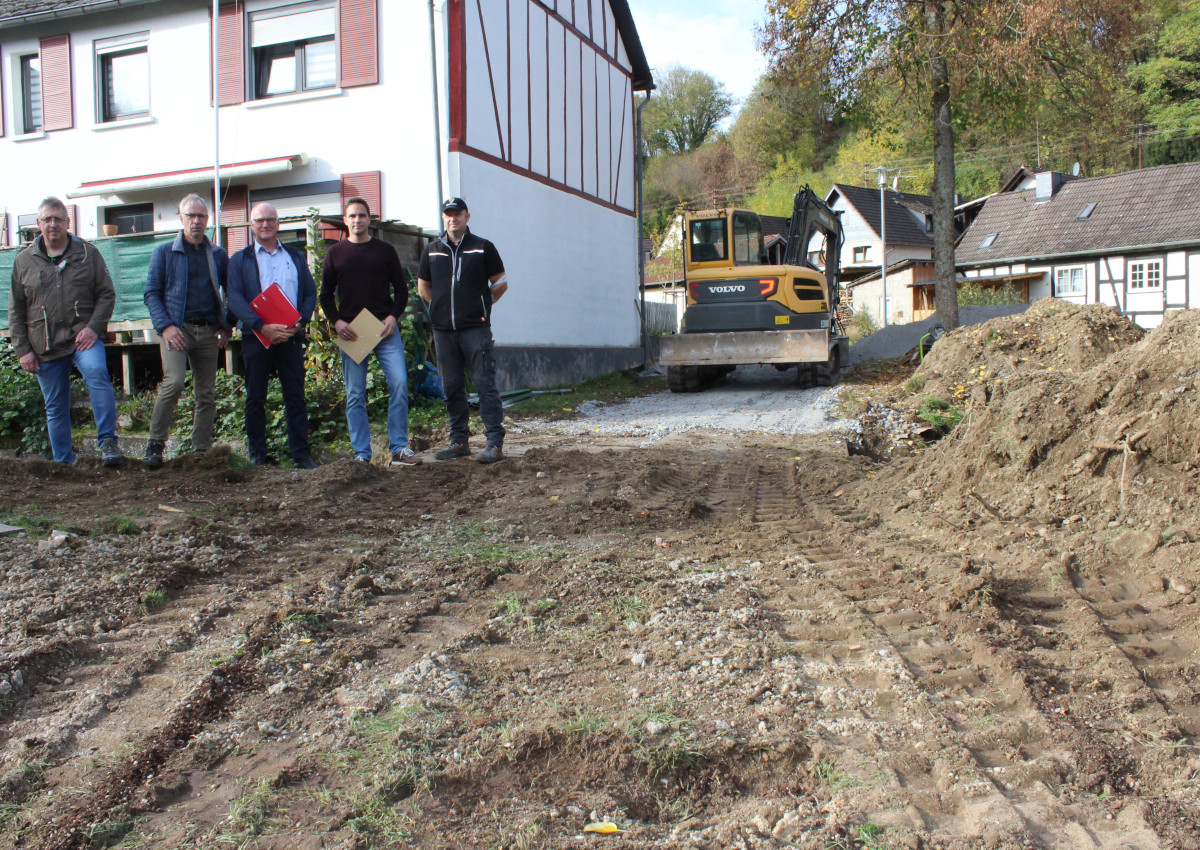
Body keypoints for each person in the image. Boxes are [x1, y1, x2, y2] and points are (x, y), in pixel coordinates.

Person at [9, 197, 124, 467]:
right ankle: (63, 464)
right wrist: (23, 350)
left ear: (67, 222)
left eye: (58, 219)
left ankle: (108, 441)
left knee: (97, 373)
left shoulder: (88, 254)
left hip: (82, 338)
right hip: (45, 344)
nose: (53, 224)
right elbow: (15, 310)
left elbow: (106, 295)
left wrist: (93, 328)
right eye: (47, 219)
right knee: (55, 407)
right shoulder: (23, 261)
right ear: (38, 224)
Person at [319, 197, 420, 466]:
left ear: (369, 219)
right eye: (352, 216)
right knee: (355, 394)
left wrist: (393, 317)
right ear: (345, 220)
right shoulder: (335, 254)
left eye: (362, 215)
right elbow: (325, 296)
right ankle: (362, 454)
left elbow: (401, 290)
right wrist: (337, 322)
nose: (357, 220)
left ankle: (399, 448)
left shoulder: (385, 250)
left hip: (384, 331)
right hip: (353, 331)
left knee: (399, 383)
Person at [226, 202, 318, 469]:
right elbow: (235, 298)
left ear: (278, 223)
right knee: (256, 396)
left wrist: (300, 322)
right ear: (251, 225)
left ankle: (301, 456)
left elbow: (310, 293)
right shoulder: (239, 260)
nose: (265, 224)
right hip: (256, 337)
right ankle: (258, 456)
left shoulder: (295, 256)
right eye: (259, 220)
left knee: (295, 396)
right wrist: (261, 326)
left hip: (291, 336)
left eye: (270, 220)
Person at [417, 197, 507, 464]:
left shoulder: (483, 247)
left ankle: (494, 443)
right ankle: (459, 442)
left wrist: (482, 304)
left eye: (457, 214)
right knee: (451, 385)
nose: (452, 218)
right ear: (443, 218)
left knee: (484, 383)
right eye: (448, 214)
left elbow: (500, 282)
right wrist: (442, 309)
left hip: (475, 328)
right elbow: (424, 287)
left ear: (467, 216)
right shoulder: (432, 249)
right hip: (444, 331)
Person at [142, 194, 229, 468]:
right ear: (180, 218)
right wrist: (166, 327)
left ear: (207, 220)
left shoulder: (217, 255)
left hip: (207, 332)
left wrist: (227, 326)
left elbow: (232, 292)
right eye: (190, 215)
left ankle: (201, 451)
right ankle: (155, 444)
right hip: (177, 331)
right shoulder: (164, 253)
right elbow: (151, 294)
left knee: (207, 394)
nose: (196, 221)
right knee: (175, 382)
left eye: (201, 216)